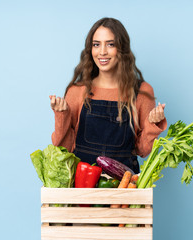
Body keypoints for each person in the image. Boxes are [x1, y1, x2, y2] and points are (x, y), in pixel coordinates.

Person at [49, 17, 167, 173]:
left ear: (122, 48)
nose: (102, 52)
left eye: (110, 44)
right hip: (82, 186)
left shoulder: (141, 92)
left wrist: (153, 124)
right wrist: (62, 115)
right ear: (90, 50)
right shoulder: (77, 90)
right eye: (96, 45)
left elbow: (143, 151)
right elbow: (64, 148)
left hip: (123, 188)